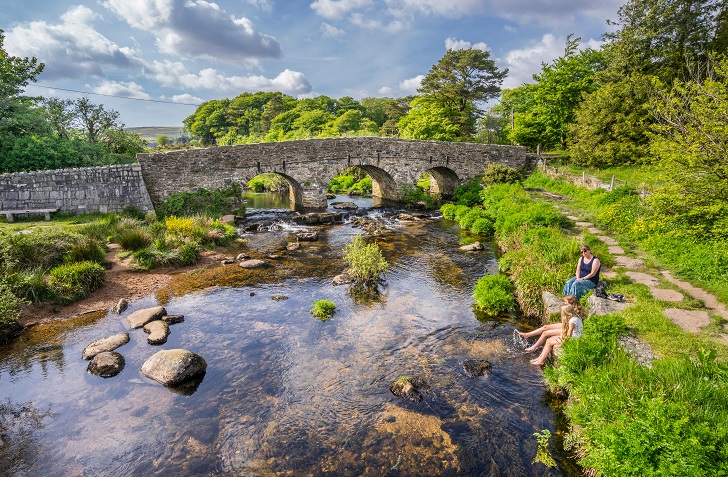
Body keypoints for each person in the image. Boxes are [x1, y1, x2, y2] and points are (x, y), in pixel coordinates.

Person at [528, 295, 586, 366]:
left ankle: (541, 360)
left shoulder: (572, 321)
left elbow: (569, 335)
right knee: (548, 340)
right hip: (573, 338)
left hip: (575, 340)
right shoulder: (573, 318)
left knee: (549, 343)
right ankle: (539, 358)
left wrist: (562, 343)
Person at [517, 295, 586, 352]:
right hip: (566, 325)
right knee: (545, 327)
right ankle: (528, 334)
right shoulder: (570, 309)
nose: (563, 303)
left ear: (571, 303)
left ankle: (534, 347)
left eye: (565, 302)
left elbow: (571, 327)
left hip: (568, 328)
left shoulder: (573, 311)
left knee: (545, 333)